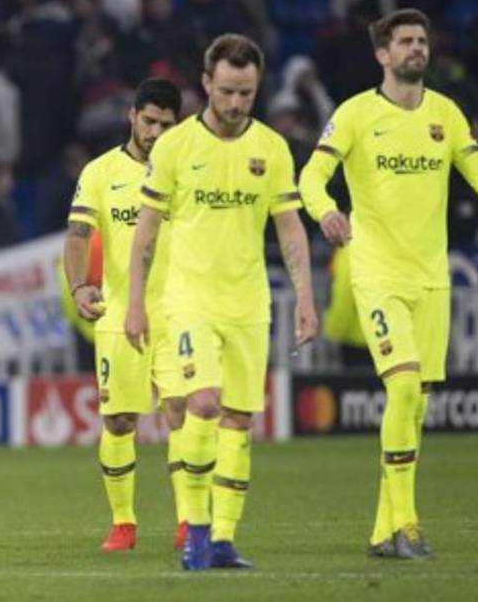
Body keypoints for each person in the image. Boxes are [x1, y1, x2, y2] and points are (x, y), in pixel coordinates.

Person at [298, 9, 478, 559]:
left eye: (422, 39)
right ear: (383, 54)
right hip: (376, 274)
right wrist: (325, 210)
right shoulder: (354, 115)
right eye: (405, 41)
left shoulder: (446, 114)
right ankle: (409, 524)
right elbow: (310, 176)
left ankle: (381, 531)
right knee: (401, 387)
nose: (417, 48)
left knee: (415, 404)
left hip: (432, 280)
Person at [126, 34, 318, 571]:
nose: (236, 104)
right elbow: (145, 234)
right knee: (202, 404)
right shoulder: (175, 147)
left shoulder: (272, 149)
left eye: (247, 93)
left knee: (239, 419)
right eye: (228, 91)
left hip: (250, 304)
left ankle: (226, 539)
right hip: (189, 300)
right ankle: (196, 531)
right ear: (207, 83)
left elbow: (289, 228)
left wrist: (304, 297)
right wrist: (136, 304)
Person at [64, 77, 185, 553]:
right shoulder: (99, 172)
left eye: (166, 124)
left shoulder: (187, 169)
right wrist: (78, 286)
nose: (156, 132)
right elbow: (77, 235)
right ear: (132, 116)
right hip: (119, 310)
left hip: (178, 310)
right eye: (149, 121)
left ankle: (189, 521)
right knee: (119, 421)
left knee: (181, 412)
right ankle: (123, 523)